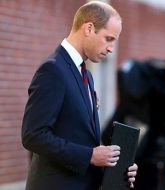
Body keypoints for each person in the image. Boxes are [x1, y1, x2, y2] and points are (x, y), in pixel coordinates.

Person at [21, 1, 137, 190]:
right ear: (89, 28)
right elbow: (33, 136)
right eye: (108, 38)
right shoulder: (52, 70)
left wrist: (118, 166)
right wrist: (90, 156)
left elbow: (82, 137)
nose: (111, 49)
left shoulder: (87, 76)